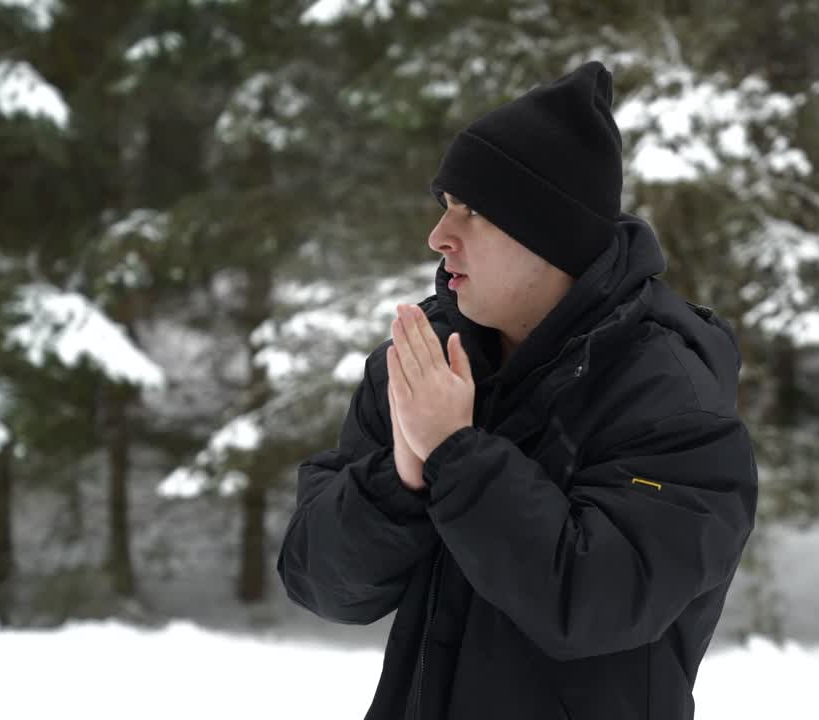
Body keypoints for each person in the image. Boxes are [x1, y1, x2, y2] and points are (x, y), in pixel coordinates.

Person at [276, 60, 758, 720]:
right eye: (446, 207)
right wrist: (402, 480)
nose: (439, 238)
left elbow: (595, 601)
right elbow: (318, 578)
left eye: (472, 212)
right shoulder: (428, 363)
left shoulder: (671, 397)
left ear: (549, 236)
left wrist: (454, 453)